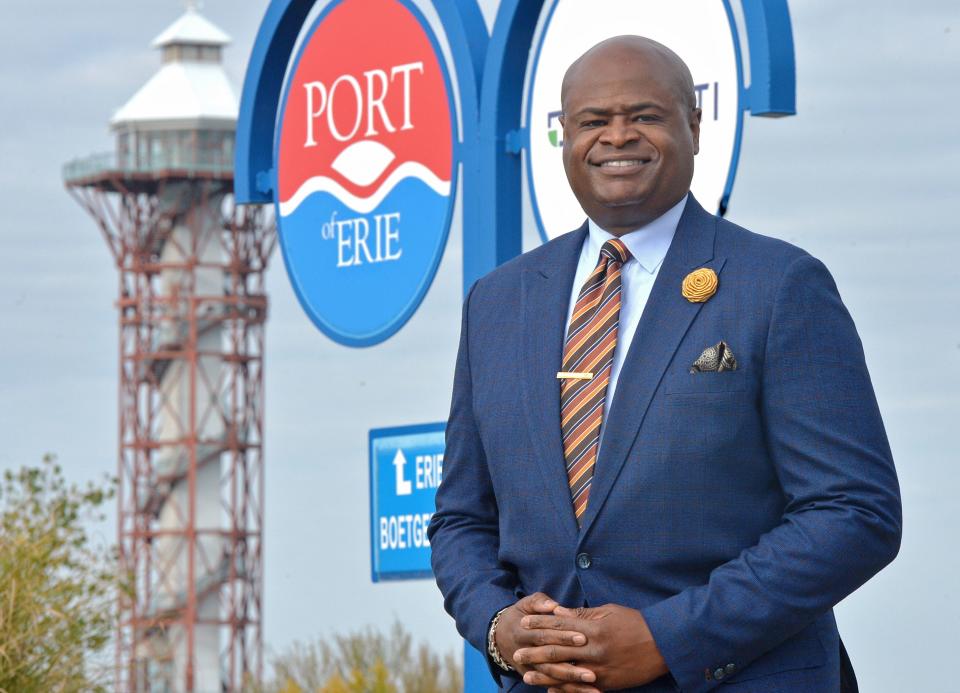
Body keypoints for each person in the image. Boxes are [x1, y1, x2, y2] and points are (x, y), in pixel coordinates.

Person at [427, 35, 901, 693]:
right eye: (593, 120)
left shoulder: (780, 284)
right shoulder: (497, 303)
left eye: (645, 115)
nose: (617, 136)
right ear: (563, 137)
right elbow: (461, 519)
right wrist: (497, 625)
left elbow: (854, 511)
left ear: (695, 127)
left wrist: (668, 637)